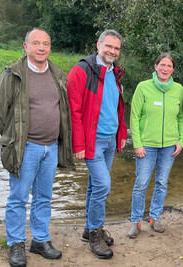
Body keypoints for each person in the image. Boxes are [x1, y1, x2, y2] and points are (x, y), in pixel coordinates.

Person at [0, 28, 75, 267]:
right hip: (25, 148)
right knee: (18, 198)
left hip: (50, 148)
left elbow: (63, 111)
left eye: (45, 44)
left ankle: (40, 240)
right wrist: (12, 137)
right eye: (35, 43)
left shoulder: (58, 74)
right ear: (25, 46)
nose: (41, 48)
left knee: (44, 197)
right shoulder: (13, 74)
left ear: (50, 48)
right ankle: (16, 243)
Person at [67, 29, 127, 259]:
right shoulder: (82, 70)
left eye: (116, 48)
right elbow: (74, 110)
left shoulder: (115, 73)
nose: (112, 51)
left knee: (94, 186)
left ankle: (88, 228)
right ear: (98, 44)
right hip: (92, 141)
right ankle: (95, 234)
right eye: (108, 46)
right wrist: (78, 144)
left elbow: (117, 109)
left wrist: (121, 133)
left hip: (110, 139)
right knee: (103, 185)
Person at [127, 53, 183, 238]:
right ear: (155, 66)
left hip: (169, 146)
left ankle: (154, 216)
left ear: (173, 69)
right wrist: (137, 144)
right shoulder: (143, 87)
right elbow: (134, 117)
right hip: (146, 145)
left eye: (169, 66)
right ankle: (136, 221)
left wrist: (181, 141)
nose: (165, 69)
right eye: (162, 65)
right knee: (141, 183)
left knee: (161, 183)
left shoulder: (178, 89)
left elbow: (182, 117)